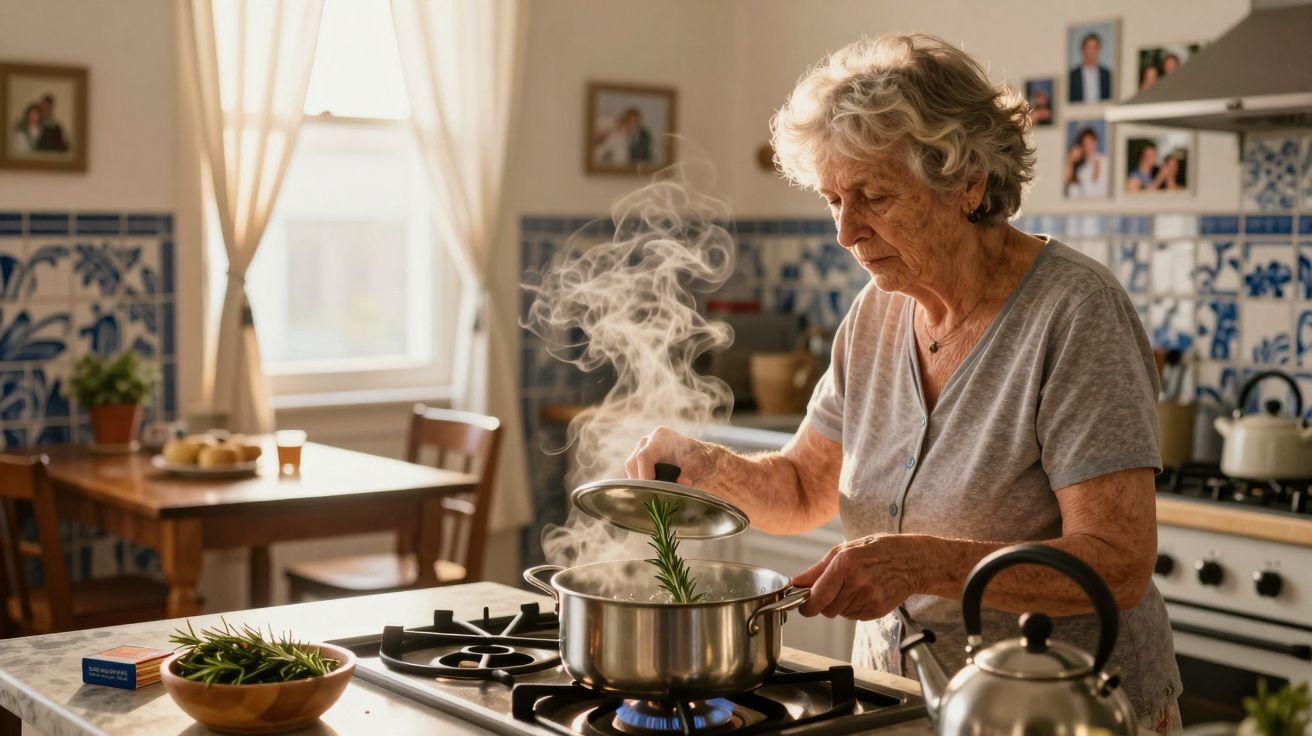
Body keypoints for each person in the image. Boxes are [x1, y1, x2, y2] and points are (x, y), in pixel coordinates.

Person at [625, 34, 1181, 733]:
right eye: (833, 199)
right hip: (905, 701)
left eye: (874, 197)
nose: (845, 231)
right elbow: (803, 489)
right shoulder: (876, 315)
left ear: (967, 182)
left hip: (1056, 711)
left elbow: (1118, 564)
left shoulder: (1074, 313)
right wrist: (704, 467)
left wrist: (915, 564)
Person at [1063, 126, 1108, 198]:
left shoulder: (1105, 161)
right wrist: (1070, 161)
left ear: (1095, 142)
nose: (1088, 147)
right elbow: (1068, 184)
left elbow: (1097, 186)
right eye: (1085, 144)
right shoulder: (1080, 166)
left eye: (1090, 143)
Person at [1068, 32, 1112, 102]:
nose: (1092, 51)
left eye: (1095, 47)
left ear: (1099, 50)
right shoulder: (1072, 75)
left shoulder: (1107, 75)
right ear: (1083, 50)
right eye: (1089, 47)